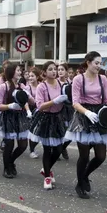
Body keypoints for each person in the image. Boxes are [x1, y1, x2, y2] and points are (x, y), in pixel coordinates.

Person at [65, 51, 107, 199]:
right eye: (96, 63)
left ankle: (85, 175)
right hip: (84, 116)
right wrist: (87, 113)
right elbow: (75, 102)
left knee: (101, 156)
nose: (99, 66)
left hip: (99, 115)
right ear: (88, 62)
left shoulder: (103, 79)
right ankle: (80, 184)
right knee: (84, 155)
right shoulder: (78, 79)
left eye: (100, 63)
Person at [28, 61, 69, 189]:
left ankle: (46, 169)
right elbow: (39, 105)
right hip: (45, 118)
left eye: (55, 69)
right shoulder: (42, 87)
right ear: (44, 72)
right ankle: (47, 177)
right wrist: (54, 101)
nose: (54, 71)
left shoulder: (62, 84)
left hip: (58, 118)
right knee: (47, 149)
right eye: (50, 69)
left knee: (58, 148)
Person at [0, 64, 33, 178]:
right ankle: (7, 167)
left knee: (23, 145)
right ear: (11, 72)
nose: (20, 72)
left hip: (21, 116)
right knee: (9, 145)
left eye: (20, 70)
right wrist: (10, 106)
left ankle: (11, 161)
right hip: (8, 116)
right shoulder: (3, 87)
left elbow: (32, 102)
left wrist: (28, 96)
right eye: (18, 70)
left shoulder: (22, 86)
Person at [57, 63, 72, 160]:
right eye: (58, 70)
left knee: (71, 131)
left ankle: (63, 147)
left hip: (69, 109)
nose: (60, 71)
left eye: (62, 69)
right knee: (59, 132)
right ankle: (56, 151)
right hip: (59, 109)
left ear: (66, 71)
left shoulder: (69, 81)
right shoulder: (55, 82)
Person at [26, 67, 41, 159]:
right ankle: (31, 150)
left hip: (41, 110)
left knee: (40, 131)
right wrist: (28, 111)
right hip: (31, 110)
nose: (30, 78)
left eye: (32, 76)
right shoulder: (27, 88)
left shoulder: (41, 85)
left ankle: (33, 147)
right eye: (29, 76)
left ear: (37, 76)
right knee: (33, 131)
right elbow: (25, 101)